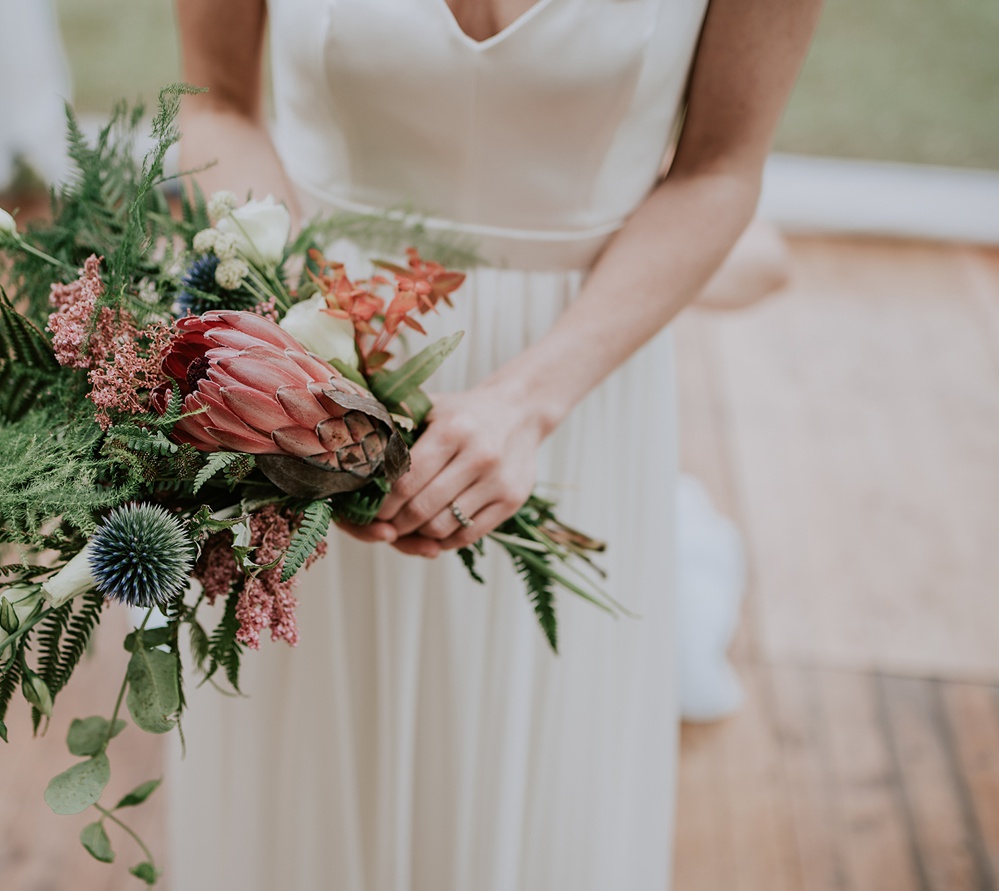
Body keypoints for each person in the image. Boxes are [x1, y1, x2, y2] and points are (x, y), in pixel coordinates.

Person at [168, 1, 820, 888]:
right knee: (311, 771)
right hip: (311, 384)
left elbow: (718, 168)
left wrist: (530, 398)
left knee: (548, 773)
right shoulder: (307, 368)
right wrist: (299, 356)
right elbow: (217, 104)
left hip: (582, 375)